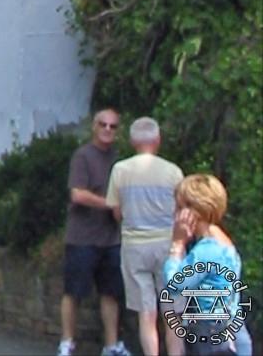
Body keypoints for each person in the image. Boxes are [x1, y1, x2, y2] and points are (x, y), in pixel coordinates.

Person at [107, 117, 184, 356]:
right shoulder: (172, 171)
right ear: (158, 140)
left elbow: (116, 211)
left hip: (134, 246)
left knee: (146, 313)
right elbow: (181, 211)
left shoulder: (121, 170)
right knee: (172, 313)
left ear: (132, 141)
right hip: (167, 245)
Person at [58, 108, 132, 356]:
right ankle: (67, 342)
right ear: (94, 127)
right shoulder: (83, 156)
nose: (108, 130)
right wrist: (110, 203)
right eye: (103, 125)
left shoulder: (119, 160)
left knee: (111, 292)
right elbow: (77, 194)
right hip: (82, 238)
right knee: (74, 292)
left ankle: (111, 345)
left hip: (111, 238)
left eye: (113, 126)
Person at [162, 174, 253, 356]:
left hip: (211, 334)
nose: (175, 214)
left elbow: (175, 285)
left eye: (179, 208)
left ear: (192, 211)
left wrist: (177, 244)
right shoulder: (222, 242)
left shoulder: (206, 250)